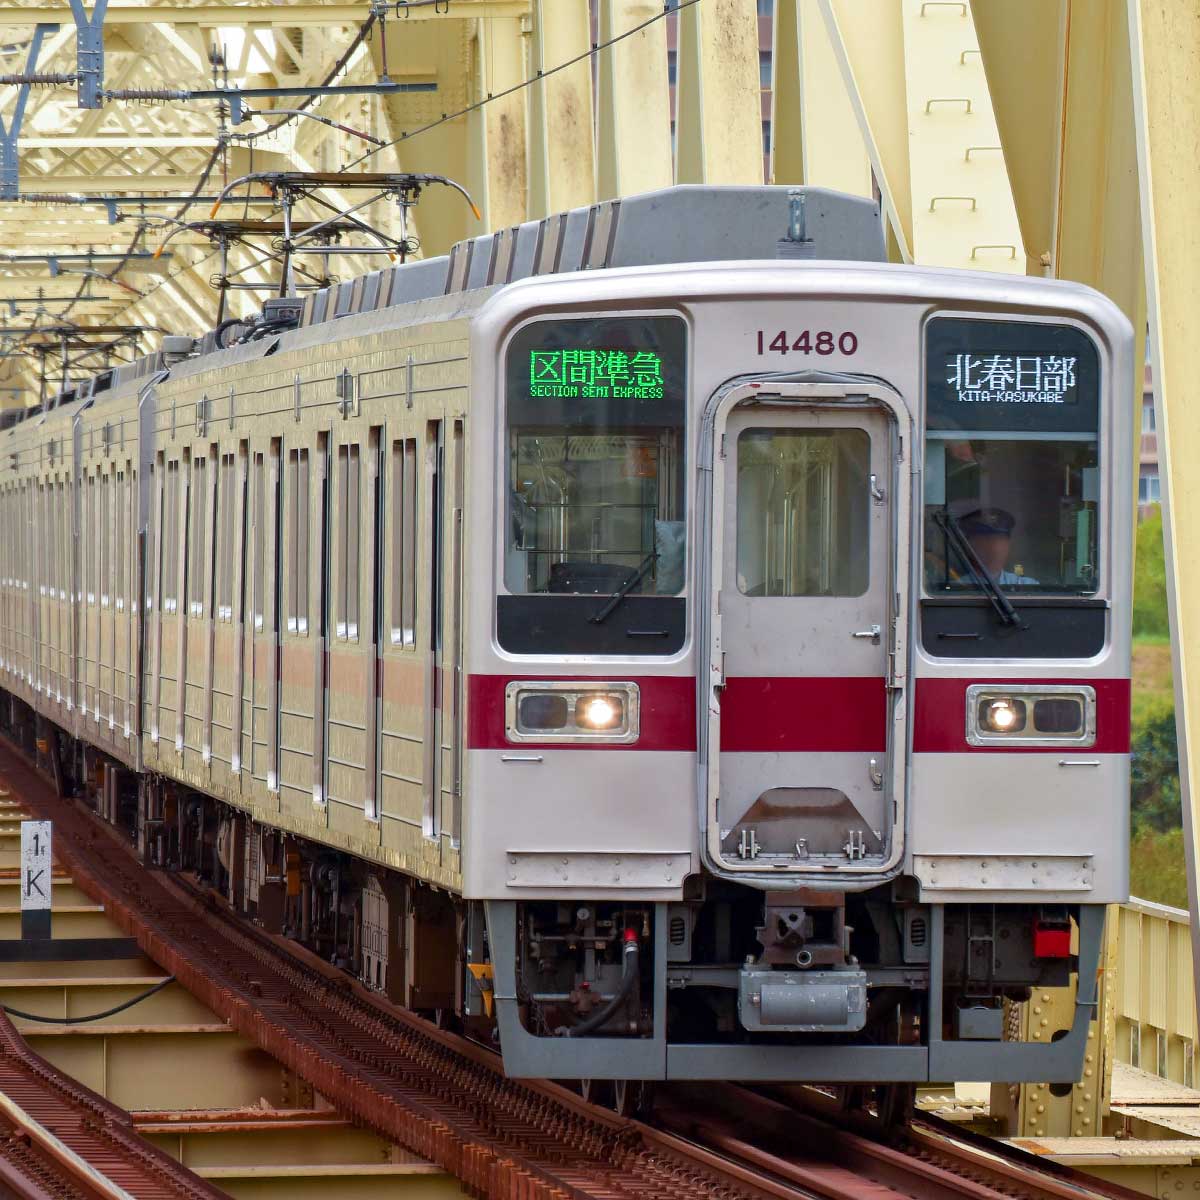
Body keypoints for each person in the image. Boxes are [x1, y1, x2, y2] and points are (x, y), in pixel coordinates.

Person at [950, 502, 1039, 586]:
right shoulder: (958, 588)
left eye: (1000, 540)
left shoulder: (1026, 585)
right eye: (986, 540)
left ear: (1008, 545)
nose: (994, 548)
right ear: (970, 545)